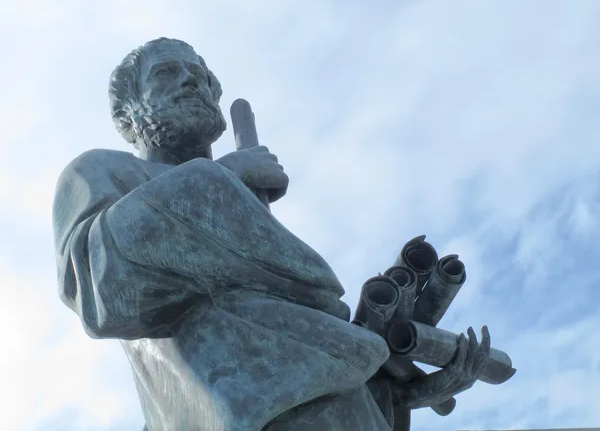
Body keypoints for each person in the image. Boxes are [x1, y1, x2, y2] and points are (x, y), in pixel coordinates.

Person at [52, 38, 489, 431]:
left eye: (200, 75)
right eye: (167, 72)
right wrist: (224, 173)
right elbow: (98, 285)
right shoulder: (104, 172)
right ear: (127, 112)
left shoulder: (238, 205)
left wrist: (400, 388)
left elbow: (301, 345)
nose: (191, 81)